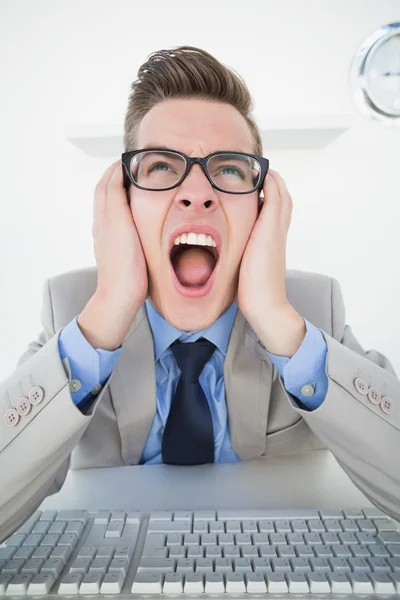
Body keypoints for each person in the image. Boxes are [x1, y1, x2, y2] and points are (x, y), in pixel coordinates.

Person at [0, 45, 399, 543]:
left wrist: (279, 324)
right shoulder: (75, 309)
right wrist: (106, 313)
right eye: (163, 166)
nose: (196, 192)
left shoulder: (313, 309)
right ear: (122, 201)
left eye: (229, 168)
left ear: (262, 206)